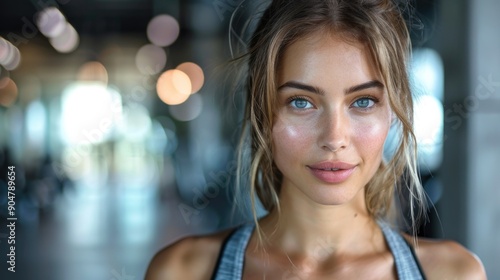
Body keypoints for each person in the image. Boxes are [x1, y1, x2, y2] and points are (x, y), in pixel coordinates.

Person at [146, 0, 487, 279]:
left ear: (393, 112)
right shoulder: (183, 271)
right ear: (262, 112)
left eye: (363, 101)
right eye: (301, 102)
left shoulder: (454, 273)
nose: (334, 138)